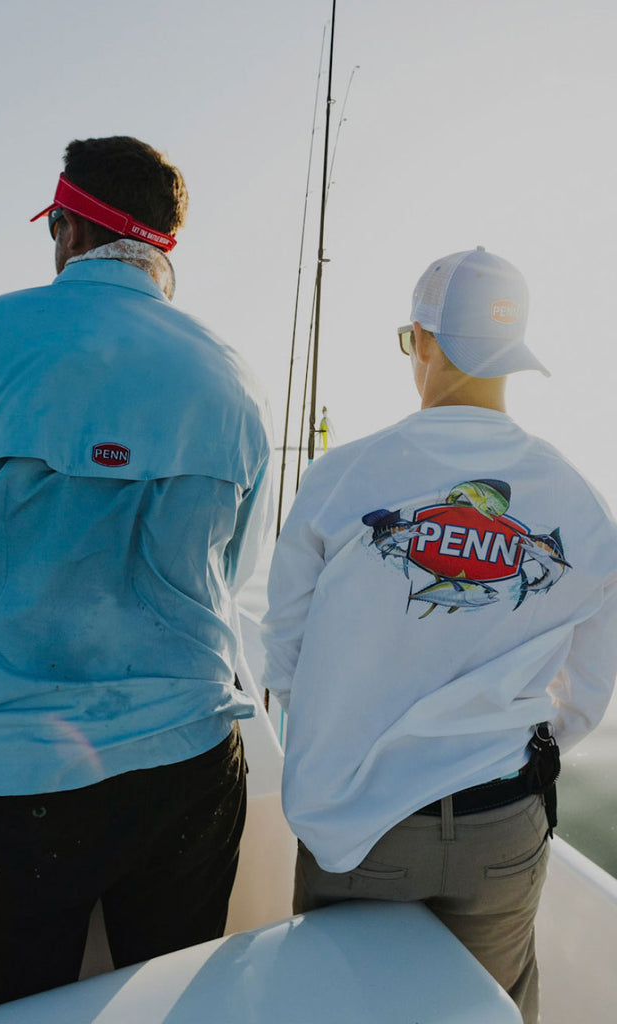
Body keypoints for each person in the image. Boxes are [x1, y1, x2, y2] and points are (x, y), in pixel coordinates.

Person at [0, 136, 273, 1017]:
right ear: (162, 250)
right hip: (191, 763)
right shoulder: (236, 381)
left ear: (68, 226)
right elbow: (234, 574)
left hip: (9, 781)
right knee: (173, 1008)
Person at [261, 245, 617, 1023]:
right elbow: (586, 696)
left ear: (422, 340)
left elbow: (282, 657)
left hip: (360, 829)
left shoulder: (341, 478)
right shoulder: (584, 506)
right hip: (503, 828)